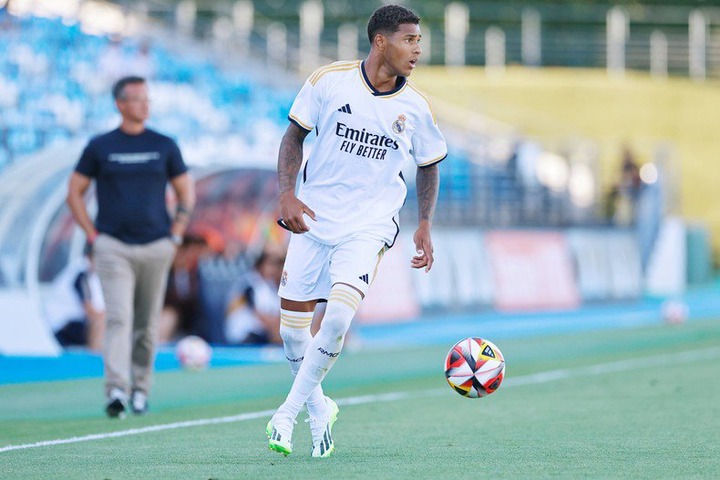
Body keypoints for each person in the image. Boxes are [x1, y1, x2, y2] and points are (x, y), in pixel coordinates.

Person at [266, 4, 446, 458]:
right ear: (381, 41)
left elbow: (428, 166)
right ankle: (320, 407)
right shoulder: (329, 81)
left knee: (340, 317)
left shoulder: (416, 107)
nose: (417, 49)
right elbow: (293, 137)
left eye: (419, 41)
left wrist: (424, 223)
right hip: (314, 217)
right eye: (410, 39)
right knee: (291, 334)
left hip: (370, 224)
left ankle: (287, 414)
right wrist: (286, 194)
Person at [66, 75, 195, 418]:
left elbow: (186, 192)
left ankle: (140, 390)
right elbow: (74, 192)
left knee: (146, 323)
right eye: (137, 99)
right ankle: (116, 390)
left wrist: (177, 234)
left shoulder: (164, 144)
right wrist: (93, 236)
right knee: (119, 317)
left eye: (147, 99)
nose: (144, 105)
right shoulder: (100, 146)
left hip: (157, 245)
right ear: (120, 104)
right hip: (113, 246)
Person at [43, 244, 105, 352]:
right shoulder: (81, 274)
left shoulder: (91, 276)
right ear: (90, 257)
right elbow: (89, 310)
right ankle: (95, 359)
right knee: (101, 321)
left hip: (74, 323)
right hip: (63, 326)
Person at [225, 244, 286, 345]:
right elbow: (260, 315)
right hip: (244, 337)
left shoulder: (273, 286)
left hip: (262, 336)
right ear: (260, 264)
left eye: (278, 264)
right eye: (270, 264)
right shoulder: (249, 283)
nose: (274, 268)